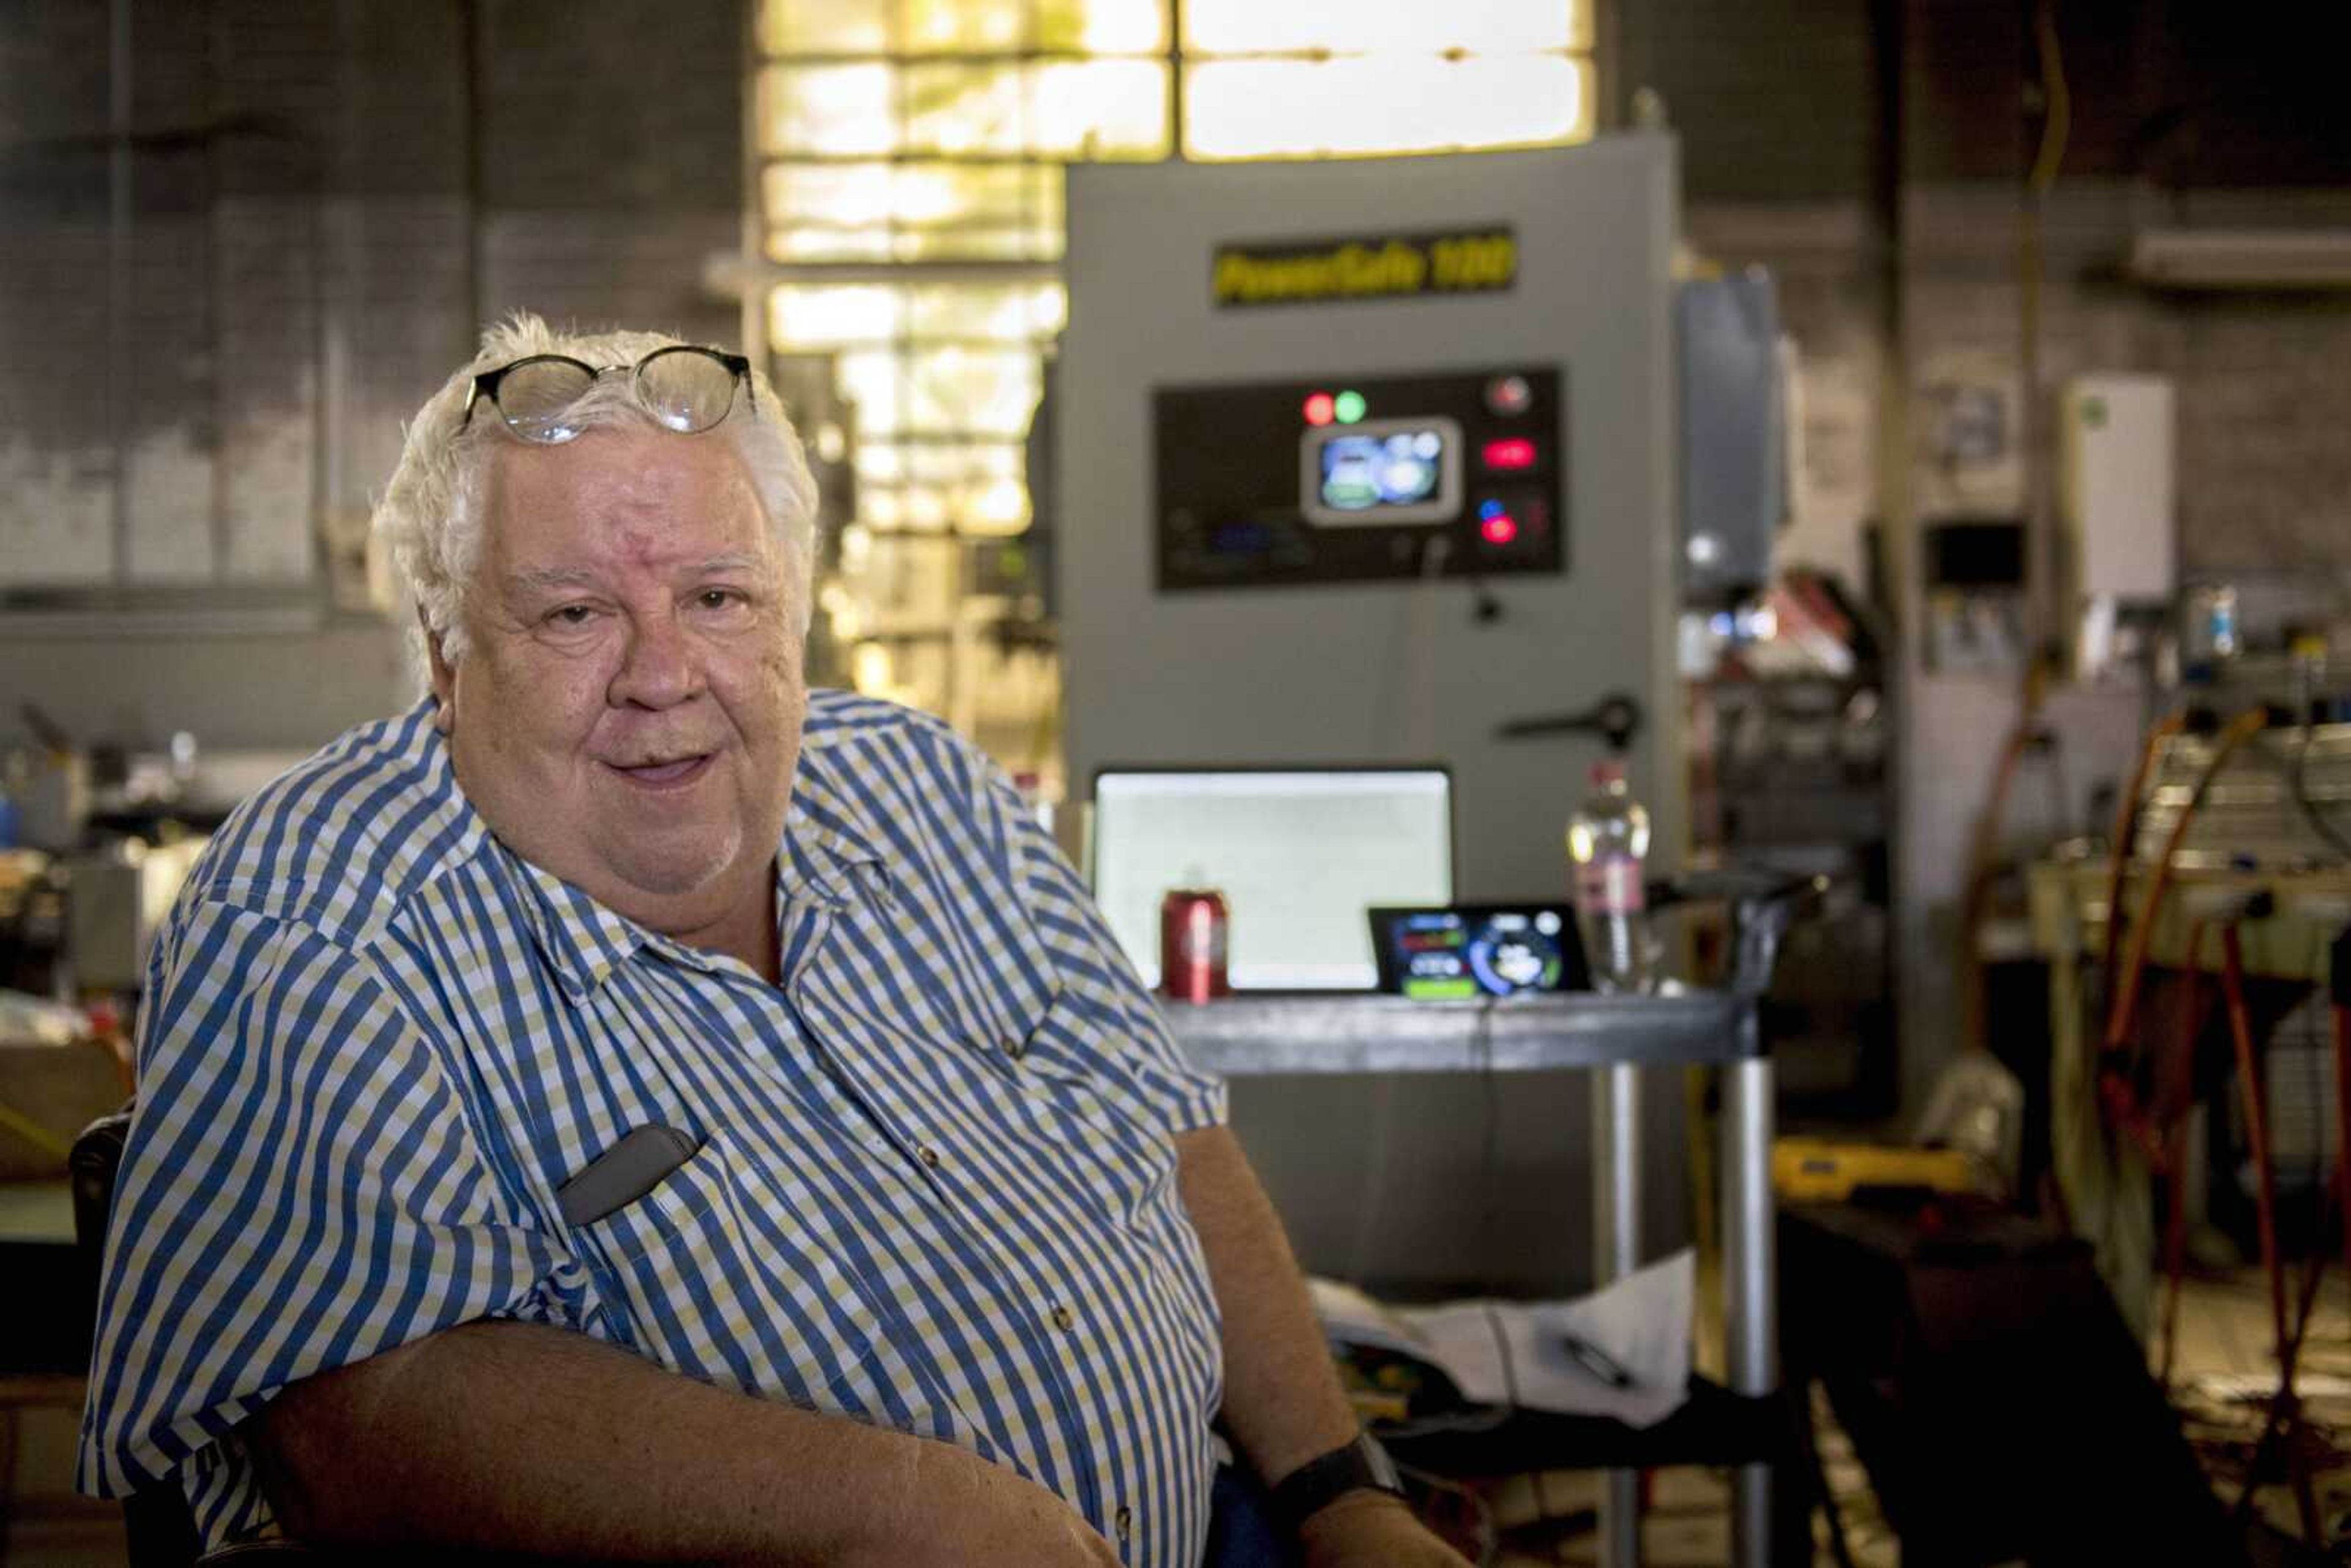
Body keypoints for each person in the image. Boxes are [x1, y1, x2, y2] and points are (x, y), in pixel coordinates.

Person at [79, 316, 1469, 1568]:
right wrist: (912, 1511)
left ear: (795, 618)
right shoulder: (319, 911)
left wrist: (1342, 1495)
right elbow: (353, 1420)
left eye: (719, 599)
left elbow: (1166, 1134)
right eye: (573, 614)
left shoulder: (926, 791)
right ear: (446, 659)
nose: (664, 676)